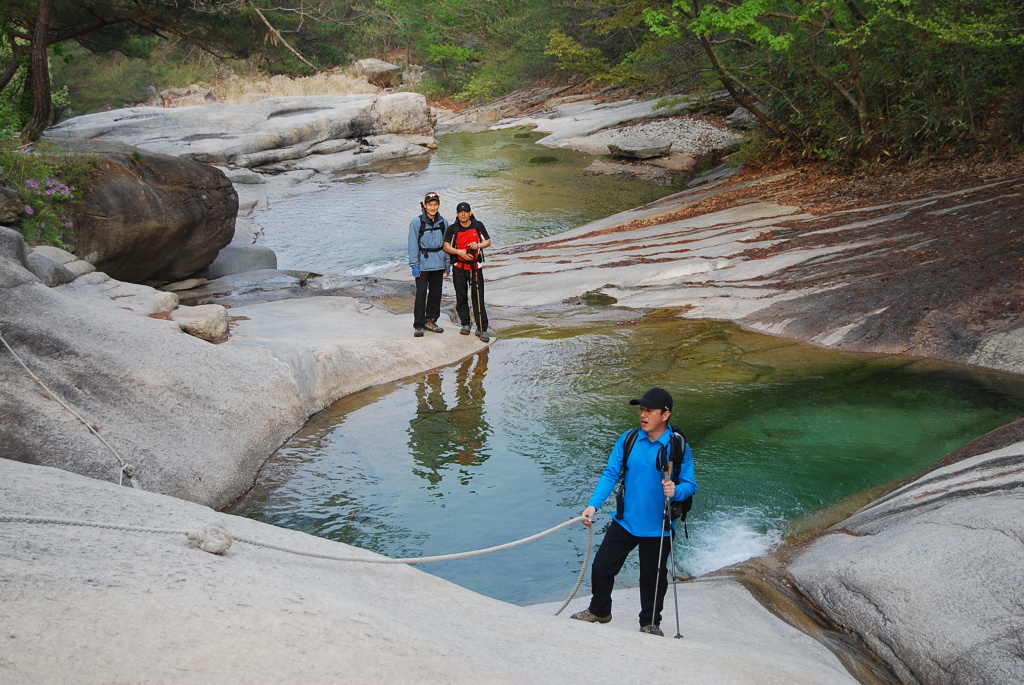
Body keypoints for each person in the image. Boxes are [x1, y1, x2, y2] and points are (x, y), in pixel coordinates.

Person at [571, 387, 698, 636]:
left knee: (653, 579)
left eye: (649, 410)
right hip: (625, 521)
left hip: (659, 526)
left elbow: (690, 484)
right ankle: (600, 610)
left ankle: (650, 623)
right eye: (641, 409)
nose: (642, 415)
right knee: (601, 567)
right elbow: (611, 473)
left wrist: (677, 491)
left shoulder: (678, 447)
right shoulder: (628, 439)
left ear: (665, 415)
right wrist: (593, 505)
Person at [444, 202, 492, 342]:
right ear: (457, 214)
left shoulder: (478, 225)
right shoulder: (453, 229)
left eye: (466, 212)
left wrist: (478, 245)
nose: (463, 214)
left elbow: (488, 241)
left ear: (470, 213)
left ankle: (482, 329)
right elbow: (446, 246)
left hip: (475, 267)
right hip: (459, 267)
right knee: (461, 297)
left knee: (478, 298)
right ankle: (465, 324)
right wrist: (459, 252)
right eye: (460, 212)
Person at [408, 191, 450, 337]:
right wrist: (414, 265)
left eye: (435, 205)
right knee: (421, 293)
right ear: (425, 205)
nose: (432, 208)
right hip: (423, 263)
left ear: (438, 205)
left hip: (438, 262)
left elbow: (446, 244)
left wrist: (447, 264)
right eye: (430, 205)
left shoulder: (444, 222)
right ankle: (418, 324)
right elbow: (413, 244)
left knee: (436, 293)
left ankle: (431, 320)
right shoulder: (417, 222)